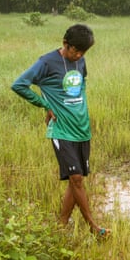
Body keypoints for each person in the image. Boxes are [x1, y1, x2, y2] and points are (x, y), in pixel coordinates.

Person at [11, 24, 109, 237]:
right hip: (61, 130)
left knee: (77, 179)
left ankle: (61, 225)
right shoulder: (46, 62)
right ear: (65, 43)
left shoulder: (80, 61)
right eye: (76, 50)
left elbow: (81, 86)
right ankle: (93, 226)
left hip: (83, 128)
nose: (80, 55)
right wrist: (45, 104)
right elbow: (19, 85)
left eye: (84, 52)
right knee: (75, 179)